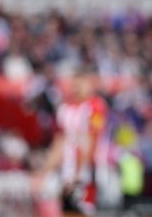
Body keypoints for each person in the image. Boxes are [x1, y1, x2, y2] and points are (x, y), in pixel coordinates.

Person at [39, 73, 109, 216]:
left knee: (83, 208)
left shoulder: (95, 106)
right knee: (67, 209)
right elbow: (59, 141)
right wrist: (46, 170)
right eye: (74, 85)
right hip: (67, 168)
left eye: (81, 85)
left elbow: (91, 139)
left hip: (87, 168)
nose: (77, 89)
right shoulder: (65, 109)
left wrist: (78, 174)